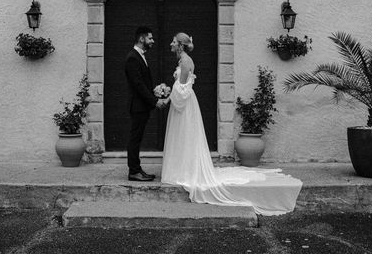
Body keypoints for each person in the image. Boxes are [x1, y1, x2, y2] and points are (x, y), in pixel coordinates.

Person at [160, 32, 303, 215]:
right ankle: (180, 170)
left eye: (173, 41)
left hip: (185, 106)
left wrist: (167, 98)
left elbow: (182, 89)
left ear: (180, 45)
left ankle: (184, 172)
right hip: (182, 105)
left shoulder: (186, 61)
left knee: (186, 136)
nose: (170, 44)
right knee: (182, 137)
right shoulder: (182, 61)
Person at [124, 26, 165, 182]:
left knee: (137, 138)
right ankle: (134, 171)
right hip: (138, 106)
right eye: (150, 38)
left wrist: (154, 91)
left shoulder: (139, 56)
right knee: (135, 138)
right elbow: (138, 85)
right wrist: (155, 101)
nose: (153, 41)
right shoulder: (132, 57)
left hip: (142, 105)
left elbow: (143, 83)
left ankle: (137, 169)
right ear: (141, 39)